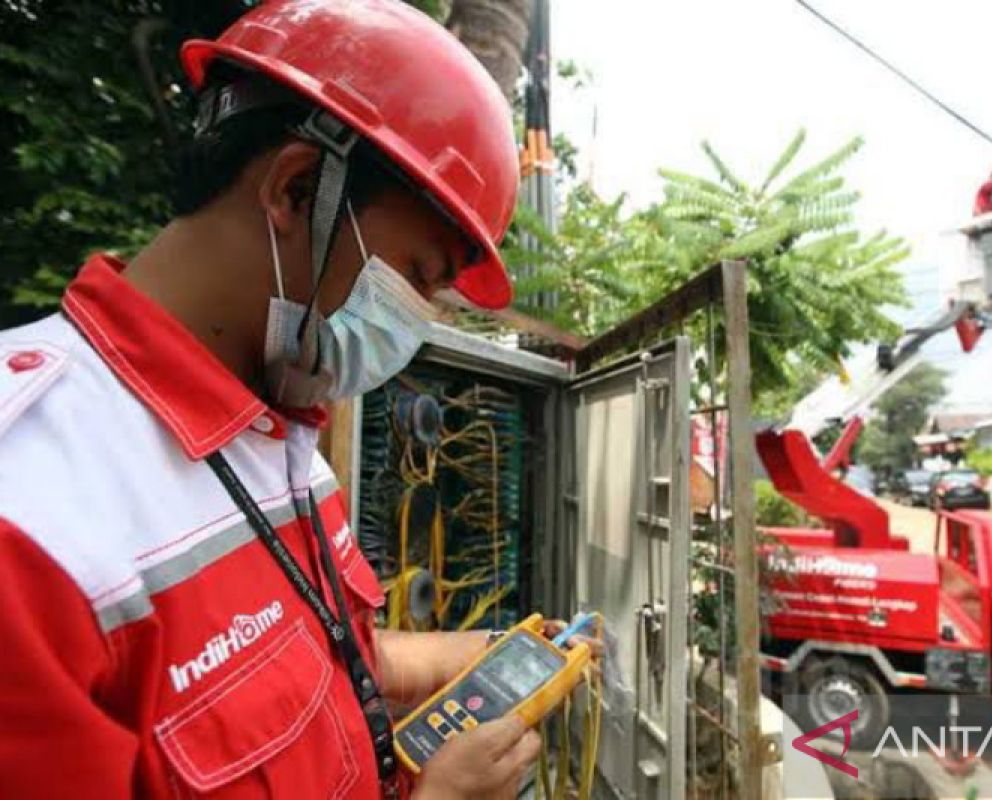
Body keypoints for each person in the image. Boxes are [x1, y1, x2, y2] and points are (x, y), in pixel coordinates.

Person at [0, 2, 593, 798]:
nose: (414, 324)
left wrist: (474, 654)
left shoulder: (280, 442)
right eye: (418, 276)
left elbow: (330, 653)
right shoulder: (31, 521)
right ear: (297, 187)